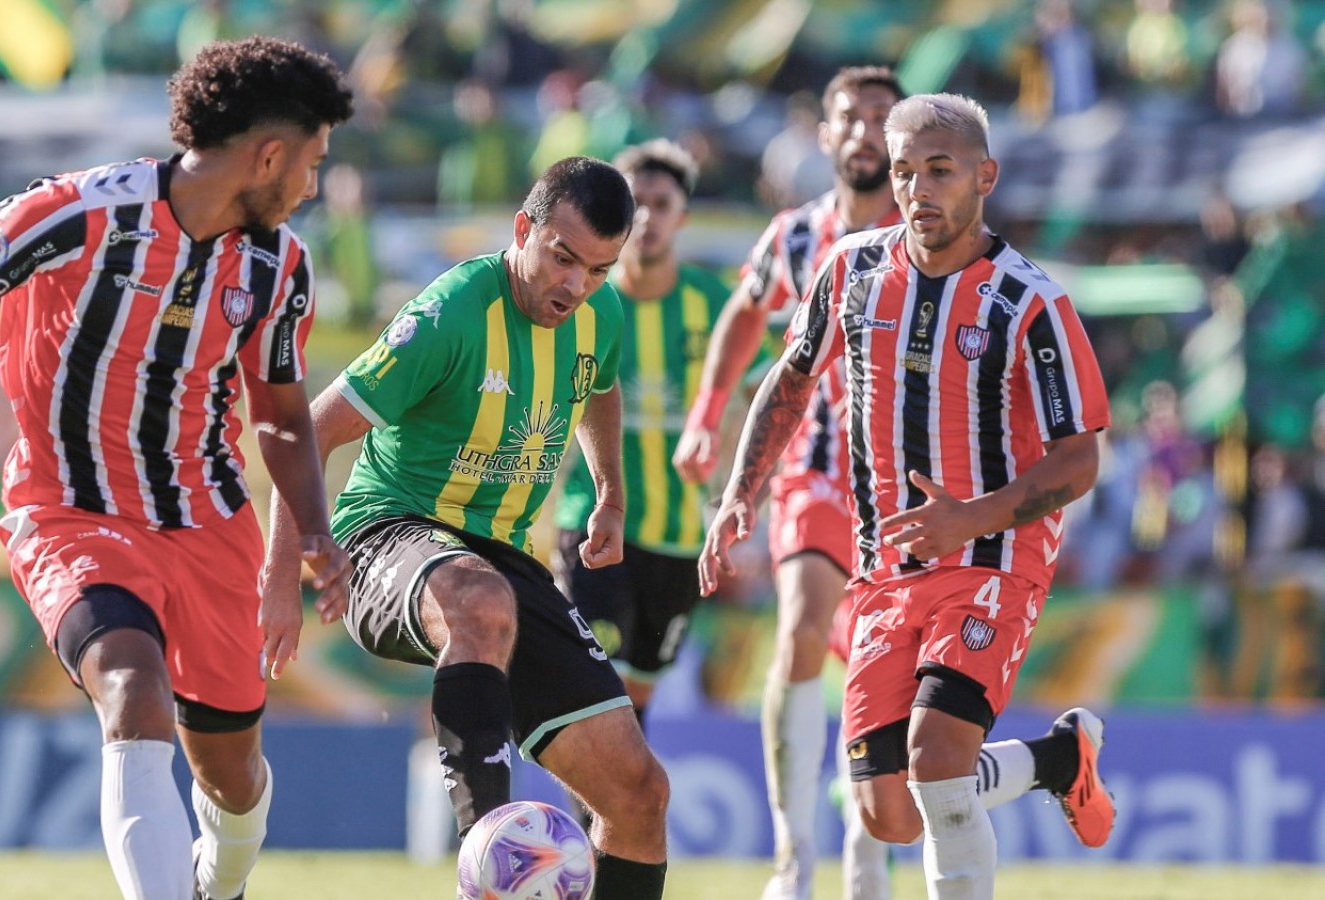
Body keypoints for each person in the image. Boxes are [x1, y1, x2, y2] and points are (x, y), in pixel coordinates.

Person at [0, 36, 354, 900]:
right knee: (131, 687)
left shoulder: (280, 268)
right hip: (71, 513)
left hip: (209, 525)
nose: (312, 185)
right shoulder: (77, 214)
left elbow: (281, 419)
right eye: (312, 163)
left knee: (233, 778)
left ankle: (222, 880)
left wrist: (313, 533)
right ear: (268, 155)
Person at [699, 93, 1116, 900]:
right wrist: (738, 494)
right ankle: (1055, 761)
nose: (918, 190)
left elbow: (1079, 460)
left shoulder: (1031, 303)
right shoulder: (851, 269)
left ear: (984, 177)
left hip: (995, 558)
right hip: (885, 571)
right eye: (903, 173)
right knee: (888, 811)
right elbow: (788, 383)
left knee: (934, 758)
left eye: (940, 171)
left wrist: (973, 518)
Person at [268, 157, 671, 899]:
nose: (576, 286)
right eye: (562, 258)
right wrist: (278, 583)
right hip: (387, 533)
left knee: (639, 796)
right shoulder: (451, 312)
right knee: (478, 600)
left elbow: (601, 387)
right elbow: (309, 430)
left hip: (501, 561)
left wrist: (610, 491)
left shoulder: (596, 312)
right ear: (524, 228)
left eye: (599, 270)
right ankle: (490, 864)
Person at [674, 65, 904, 900]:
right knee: (803, 627)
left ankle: (866, 842)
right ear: (826, 133)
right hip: (813, 465)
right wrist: (707, 413)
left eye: (882, 116)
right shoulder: (796, 235)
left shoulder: (930, 238)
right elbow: (744, 314)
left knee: (885, 670)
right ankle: (792, 859)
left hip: (910, 485)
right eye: (850, 116)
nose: (865, 131)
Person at [551, 139, 729, 730]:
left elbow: (774, 392)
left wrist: (750, 494)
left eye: (662, 202)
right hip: (596, 520)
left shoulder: (717, 305)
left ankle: (620, 819)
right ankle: (587, 822)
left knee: (637, 699)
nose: (648, 217)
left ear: (683, 216)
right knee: (591, 684)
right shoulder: (581, 301)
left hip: (681, 534)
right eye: (636, 203)